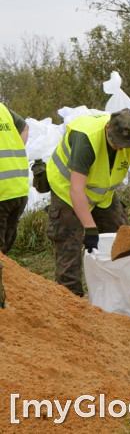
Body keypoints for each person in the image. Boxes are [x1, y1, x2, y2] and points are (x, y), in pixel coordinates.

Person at [44, 109, 130, 318]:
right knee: (69, 244)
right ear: (108, 128)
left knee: (126, 240)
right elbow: (76, 189)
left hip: (103, 194)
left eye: (124, 144)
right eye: (115, 142)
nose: (119, 147)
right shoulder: (86, 138)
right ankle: (70, 307)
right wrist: (90, 228)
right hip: (68, 191)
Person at [0, 101, 30, 310]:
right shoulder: (2, 108)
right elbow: (25, 127)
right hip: (18, 187)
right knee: (4, 252)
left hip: (2, 193)